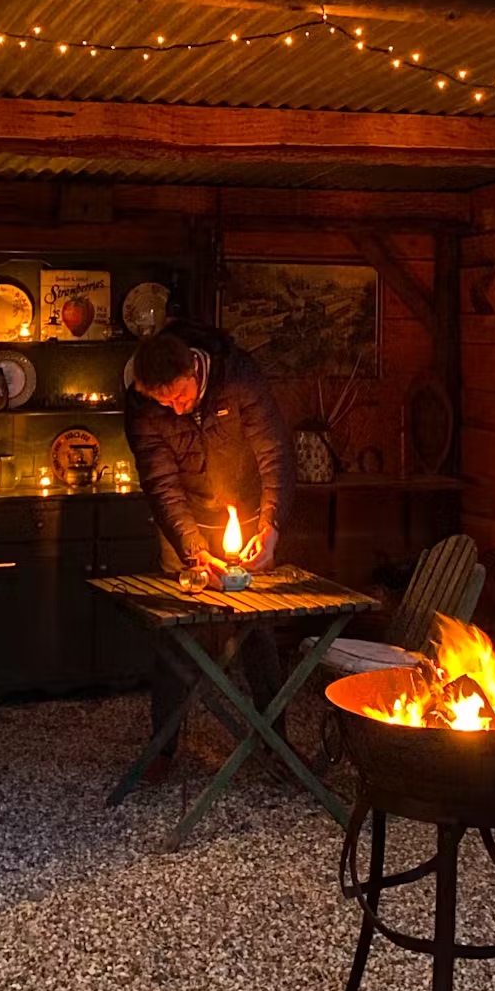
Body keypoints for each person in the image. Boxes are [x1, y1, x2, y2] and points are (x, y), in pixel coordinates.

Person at [124, 324, 296, 770]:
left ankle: (275, 742)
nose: (177, 408)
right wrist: (193, 550)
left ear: (194, 369)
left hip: (249, 514)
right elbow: (161, 485)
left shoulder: (238, 377)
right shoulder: (143, 406)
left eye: (181, 396)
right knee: (178, 629)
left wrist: (272, 525)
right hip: (185, 524)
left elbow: (274, 453)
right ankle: (164, 748)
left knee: (258, 627)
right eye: (165, 403)